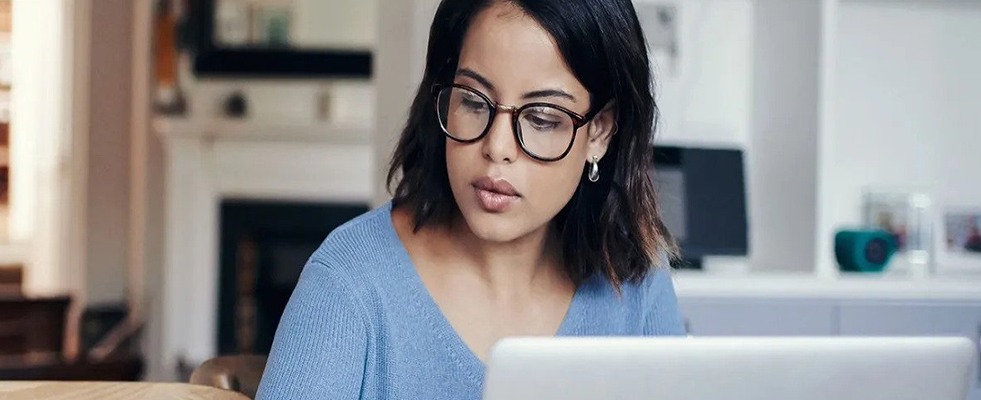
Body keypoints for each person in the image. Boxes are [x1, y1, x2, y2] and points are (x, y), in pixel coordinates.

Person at [255, 0, 683, 398]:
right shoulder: (349, 282)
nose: (496, 147)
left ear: (600, 132)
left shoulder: (636, 276)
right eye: (474, 102)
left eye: (540, 118)